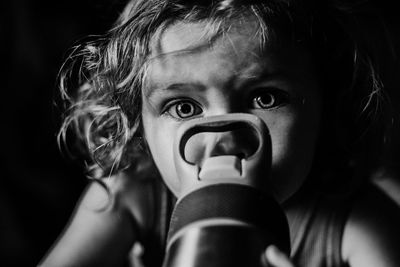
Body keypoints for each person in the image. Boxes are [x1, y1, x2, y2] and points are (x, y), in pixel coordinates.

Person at [39, 0, 400, 266]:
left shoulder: (359, 221)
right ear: (137, 124)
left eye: (265, 97)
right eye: (183, 107)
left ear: (329, 105)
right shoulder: (129, 195)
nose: (224, 140)